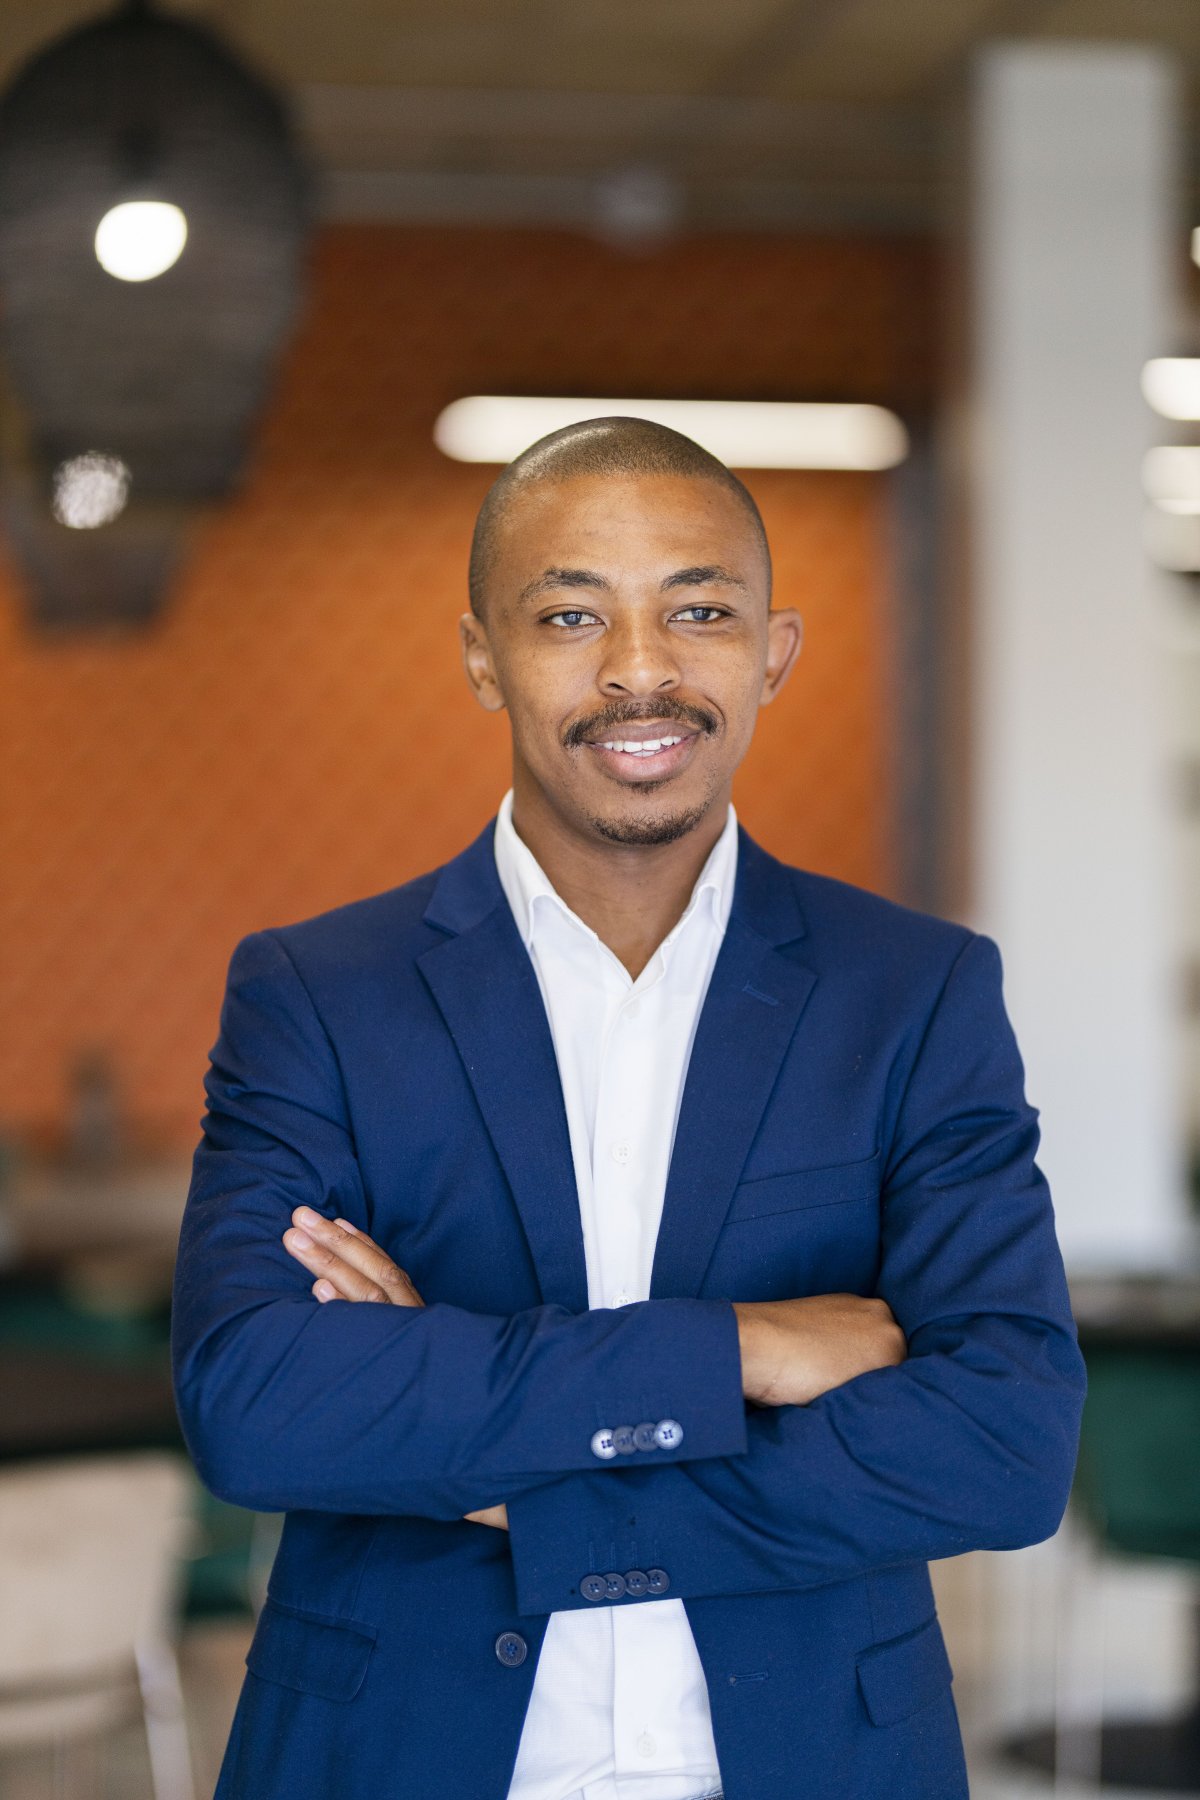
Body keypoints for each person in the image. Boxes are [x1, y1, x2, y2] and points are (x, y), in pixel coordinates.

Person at [171, 417, 1086, 1800]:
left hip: (815, 1760)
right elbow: (259, 1405)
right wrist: (737, 1353)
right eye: (569, 614)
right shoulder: (319, 995)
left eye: (699, 611)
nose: (640, 669)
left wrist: (498, 1467)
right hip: (388, 1755)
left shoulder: (914, 995)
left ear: (773, 652)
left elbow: (1006, 1446)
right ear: (483, 653)